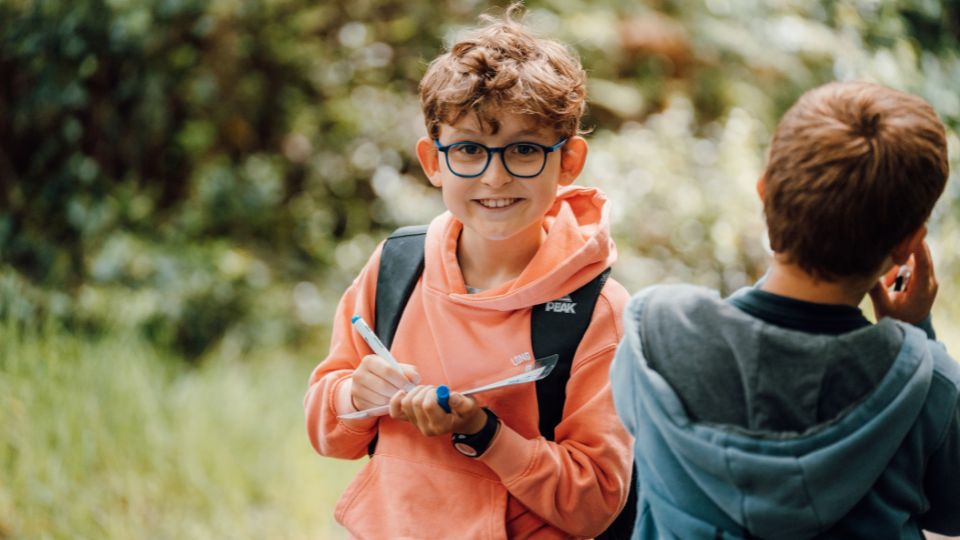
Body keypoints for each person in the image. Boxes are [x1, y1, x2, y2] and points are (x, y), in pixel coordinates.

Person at [305, 5, 633, 538]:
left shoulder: (597, 311)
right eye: (468, 150)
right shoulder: (396, 266)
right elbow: (326, 431)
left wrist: (483, 433)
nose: (495, 176)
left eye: (524, 150)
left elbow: (596, 500)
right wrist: (356, 396)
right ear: (433, 161)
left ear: (568, 160)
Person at [610, 81, 960, 538]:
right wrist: (916, 332)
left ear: (764, 192)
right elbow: (952, 513)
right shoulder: (926, 384)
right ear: (909, 245)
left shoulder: (654, 333)